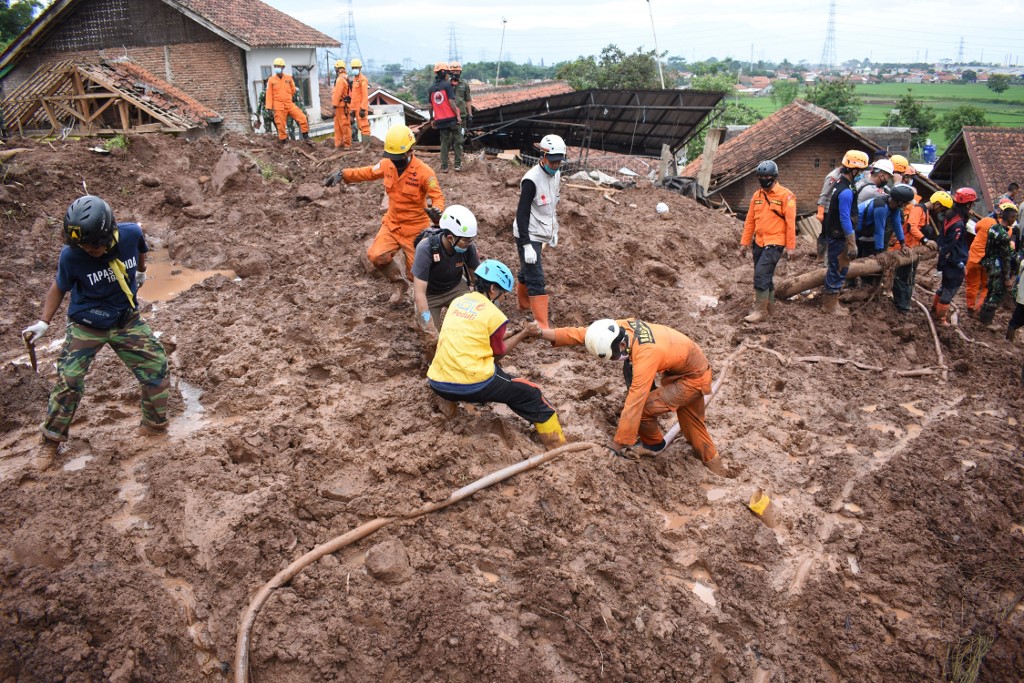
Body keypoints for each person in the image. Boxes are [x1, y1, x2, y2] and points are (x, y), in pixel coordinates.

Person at [22, 195, 169, 446]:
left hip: (126, 319)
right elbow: (59, 286)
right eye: (84, 247)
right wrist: (44, 322)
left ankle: (154, 428)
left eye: (94, 247)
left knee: (157, 367)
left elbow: (141, 249)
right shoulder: (72, 256)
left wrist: (142, 272)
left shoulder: (131, 233)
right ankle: (50, 441)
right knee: (68, 380)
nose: (89, 251)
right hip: (86, 323)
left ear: (109, 233)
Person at [534, 318, 727, 475]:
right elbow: (581, 333)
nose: (615, 359)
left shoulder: (645, 357)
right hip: (687, 366)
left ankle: (654, 445)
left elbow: (635, 403)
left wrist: (615, 447)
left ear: (622, 343)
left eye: (614, 355)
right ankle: (717, 467)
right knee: (692, 426)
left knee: (644, 409)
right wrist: (540, 333)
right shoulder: (619, 328)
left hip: (692, 379)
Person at [427, 260, 565, 447]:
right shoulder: (495, 315)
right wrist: (524, 333)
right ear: (493, 288)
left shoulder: (457, 302)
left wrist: (514, 333)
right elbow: (497, 354)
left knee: (497, 378)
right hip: (472, 383)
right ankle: (558, 446)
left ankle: (452, 405)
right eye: (502, 294)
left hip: (437, 381)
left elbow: (473, 336)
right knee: (530, 393)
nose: (502, 299)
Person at [322, 124, 444, 304]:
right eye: (392, 157)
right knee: (376, 255)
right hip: (392, 225)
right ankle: (398, 283)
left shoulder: (425, 173)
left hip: (416, 229)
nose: (394, 161)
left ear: (410, 151)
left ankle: (427, 301)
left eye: (398, 157)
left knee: (416, 274)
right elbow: (368, 172)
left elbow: (438, 197)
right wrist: (344, 174)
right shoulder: (387, 164)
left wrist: (437, 212)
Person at [513, 134, 565, 329]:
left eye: (559, 162)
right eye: (552, 162)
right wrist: (526, 244)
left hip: (543, 231)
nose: (555, 165)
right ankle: (542, 326)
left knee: (529, 268)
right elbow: (522, 214)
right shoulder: (531, 181)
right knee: (536, 278)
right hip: (528, 233)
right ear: (542, 157)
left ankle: (523, 304)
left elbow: (553, 204)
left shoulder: (557, 174)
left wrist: (554, 230)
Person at [738, 159, 796, 323]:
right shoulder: (757, 196)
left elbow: (791, 224)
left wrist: (791, 247)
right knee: (766, 275)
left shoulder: (786, 196)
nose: (764, 179)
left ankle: (760, 311)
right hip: (759, 241)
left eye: (767, 176)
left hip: (775, 241)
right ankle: (770, 307)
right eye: (761, 177)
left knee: (761, 274)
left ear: (774, 177)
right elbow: (750, 221)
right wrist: (744, 243)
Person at [412, 204, 481, 338]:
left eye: (471, 239)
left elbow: (477, 280)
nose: (469, 243)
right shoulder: (425, 249)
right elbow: (419, 293)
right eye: (466, 240)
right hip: (430, 295)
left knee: (471, 327)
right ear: (450, 238)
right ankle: (419, 323)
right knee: (432, 338)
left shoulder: (468, 247)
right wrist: (427, 324)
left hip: (456, 288)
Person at [821, 150, 869, 315]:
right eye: (860, 171)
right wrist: (851, 241)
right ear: (854, 170)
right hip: (839, 235)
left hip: (835, 233)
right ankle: (829, 306)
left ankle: (831, 303)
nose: (862, 175)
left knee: (836, 267)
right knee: (839, 268)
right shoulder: (846, 191)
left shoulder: (841, 184)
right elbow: (844, 217)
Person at [891, 191, 948, 312]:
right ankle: (901, 305)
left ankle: (904, 303)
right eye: (941, 209)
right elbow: (912, 226)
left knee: (909, 278)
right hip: (906, 248)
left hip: (913, 250)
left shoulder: (925, 212)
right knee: (903, 277)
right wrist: (925, 240)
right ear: (937, 204)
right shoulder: (918, 209)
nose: (940, 212)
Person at [933, 187, 978, 326]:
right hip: (954, 260)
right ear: (968, 204)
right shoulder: (958, 223)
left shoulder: (951, 217)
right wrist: (942, 261)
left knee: (944, 286)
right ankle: (940, 318)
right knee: (950, 289)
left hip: (950, 258)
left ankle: (934, 309)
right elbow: (950, 244)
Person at [978, 203, 1019, 328]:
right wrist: (1007, 278)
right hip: (998, 267)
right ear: (1011, 218)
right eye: (1014, 218)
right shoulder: (1004, 236)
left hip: (989, 263)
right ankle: (987, 322)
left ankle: (982, 317)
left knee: (990, 290)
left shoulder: (993, 228)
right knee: (996, 294)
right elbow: (1005, 259)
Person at [855, 183, 913, 263]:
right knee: (854, 258)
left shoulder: (894, 208)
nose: (906, 205)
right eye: (906, 203)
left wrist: (903, 244)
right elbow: (879, 229)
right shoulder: (881, 207)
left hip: (866, 230)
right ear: (900, 201)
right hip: (855, 229)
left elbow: (897, 225)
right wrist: (880, 251)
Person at [264, 58, 310, 143]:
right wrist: (269, 108)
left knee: (302, 117)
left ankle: (305, 136)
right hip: (278, 106)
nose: (277, 68)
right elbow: (269, 94)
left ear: (283, 67)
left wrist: (287, 98)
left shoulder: (289, 78)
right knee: (280, 125)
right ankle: (283, 141)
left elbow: (293, 90)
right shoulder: (271, 80)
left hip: (289, 104)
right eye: (276, 66)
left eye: (279, 66)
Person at [428, 62, 461, 173]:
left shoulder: (431, 88)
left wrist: (432, 119)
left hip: (440, 121)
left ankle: (444, 166)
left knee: (444, 143)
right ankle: (457, 165)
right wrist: (457, 114)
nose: (449, 75)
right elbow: (451, 102)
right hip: (451, 119)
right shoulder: (447, 85)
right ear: (443, 72)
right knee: (458, 141)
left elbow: (430, 106)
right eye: (447, 72)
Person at [450, 61, 473, 171]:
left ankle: (458, 164)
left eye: (457, 71)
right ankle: (445, 163)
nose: (456, 72)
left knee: (459, 140)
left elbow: (468, 100)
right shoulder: (446, 85)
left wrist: (470, 115)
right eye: (453, 71)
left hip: (462, 116)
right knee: (448, 140)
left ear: (460, 72)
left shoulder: (464, 85)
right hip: (449, 116)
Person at [331, 59, 352, 149]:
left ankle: (346, 144)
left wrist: (334, 105)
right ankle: (339, 144)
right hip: (341, 106)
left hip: (341, 106)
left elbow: (338, 94)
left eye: (336, 69)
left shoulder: (340, 80)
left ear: (339, 69)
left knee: (343, 125)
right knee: (338, 126)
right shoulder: (344, 78)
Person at [349, 58, 371, 140]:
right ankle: (363, 145)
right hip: (356, 108)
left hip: (361, 108)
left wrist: (363, 109)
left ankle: (366, 146)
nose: (355, 69)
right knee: (360, 127)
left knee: (364, 127)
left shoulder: (363, 79)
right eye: (353, 68)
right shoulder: (355, 80)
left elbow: (365, 95)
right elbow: (354, 96)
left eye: (356, 68)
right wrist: (352, 109)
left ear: (360, 68)